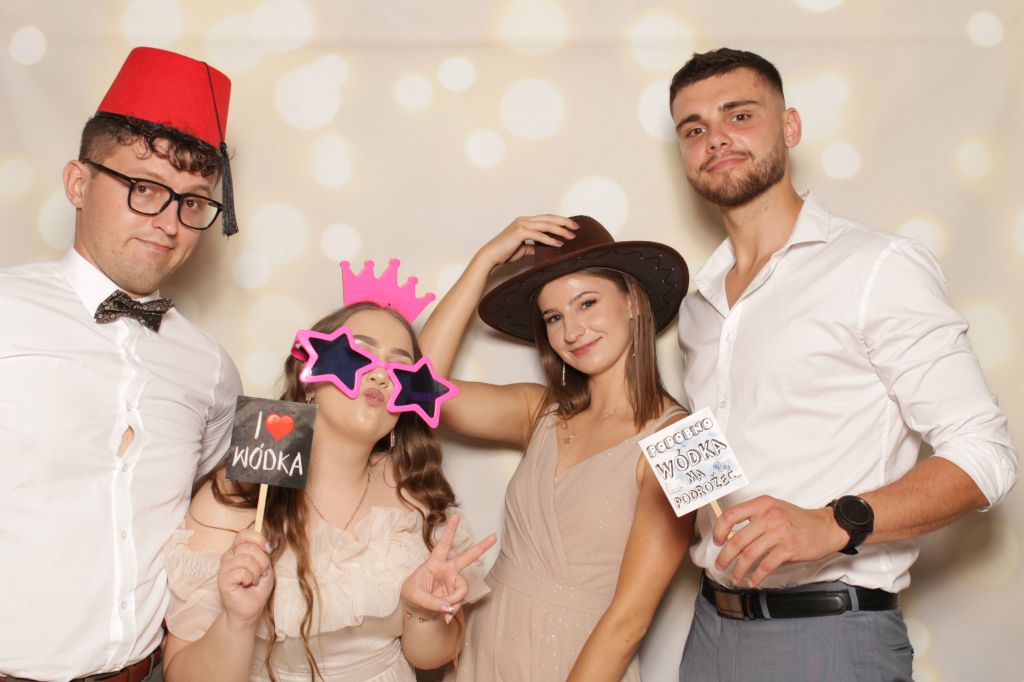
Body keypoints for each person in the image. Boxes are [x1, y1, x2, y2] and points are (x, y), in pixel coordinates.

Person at [669, 47, 1018, 681]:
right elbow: (712, 470)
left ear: (790, 126)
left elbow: (984, 454)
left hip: (829, 637)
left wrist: (835, 522)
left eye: (739, 115)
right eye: (694, 129)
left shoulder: (876, 267)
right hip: (709, 632)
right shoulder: (697, 307)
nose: (715, 138)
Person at [0, 47, 243, 682]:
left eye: (193, 201)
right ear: (78, 183)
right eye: (145, 188)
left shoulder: (212, 370)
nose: (169, 222)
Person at [160, 277, 497, 680]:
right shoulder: (237, 496)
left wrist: (422, 613)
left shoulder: (416, 493)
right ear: (310, 380)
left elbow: (432, 657)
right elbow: (181, 674)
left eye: (399, 369)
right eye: (358, 357)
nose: (380, 376)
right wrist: (237, 621)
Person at [418, 215, 695, 681]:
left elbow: (631, 621)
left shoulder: (687, 441)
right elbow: (419, 389)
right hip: (484, 647)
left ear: (632, 301)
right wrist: (484, 261)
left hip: (582, 661)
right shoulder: (539, 412)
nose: (572, 330)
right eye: (554, 317)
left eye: (587, 303)